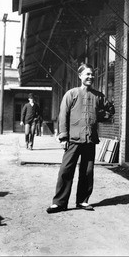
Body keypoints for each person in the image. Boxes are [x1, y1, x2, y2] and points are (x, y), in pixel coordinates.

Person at [46, 63, 115, 214]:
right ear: (80, 76)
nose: (90, 77)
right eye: (87, 74)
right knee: (66, 170)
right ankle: (59, 203)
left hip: (90, 139)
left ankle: (82, 201)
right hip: (73, 139)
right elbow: (62, 115)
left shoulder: (98, 96)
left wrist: (102, 115)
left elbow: (110, 110)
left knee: (87, 171)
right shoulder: (71, 94)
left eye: (92, 74)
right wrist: (63, 136)